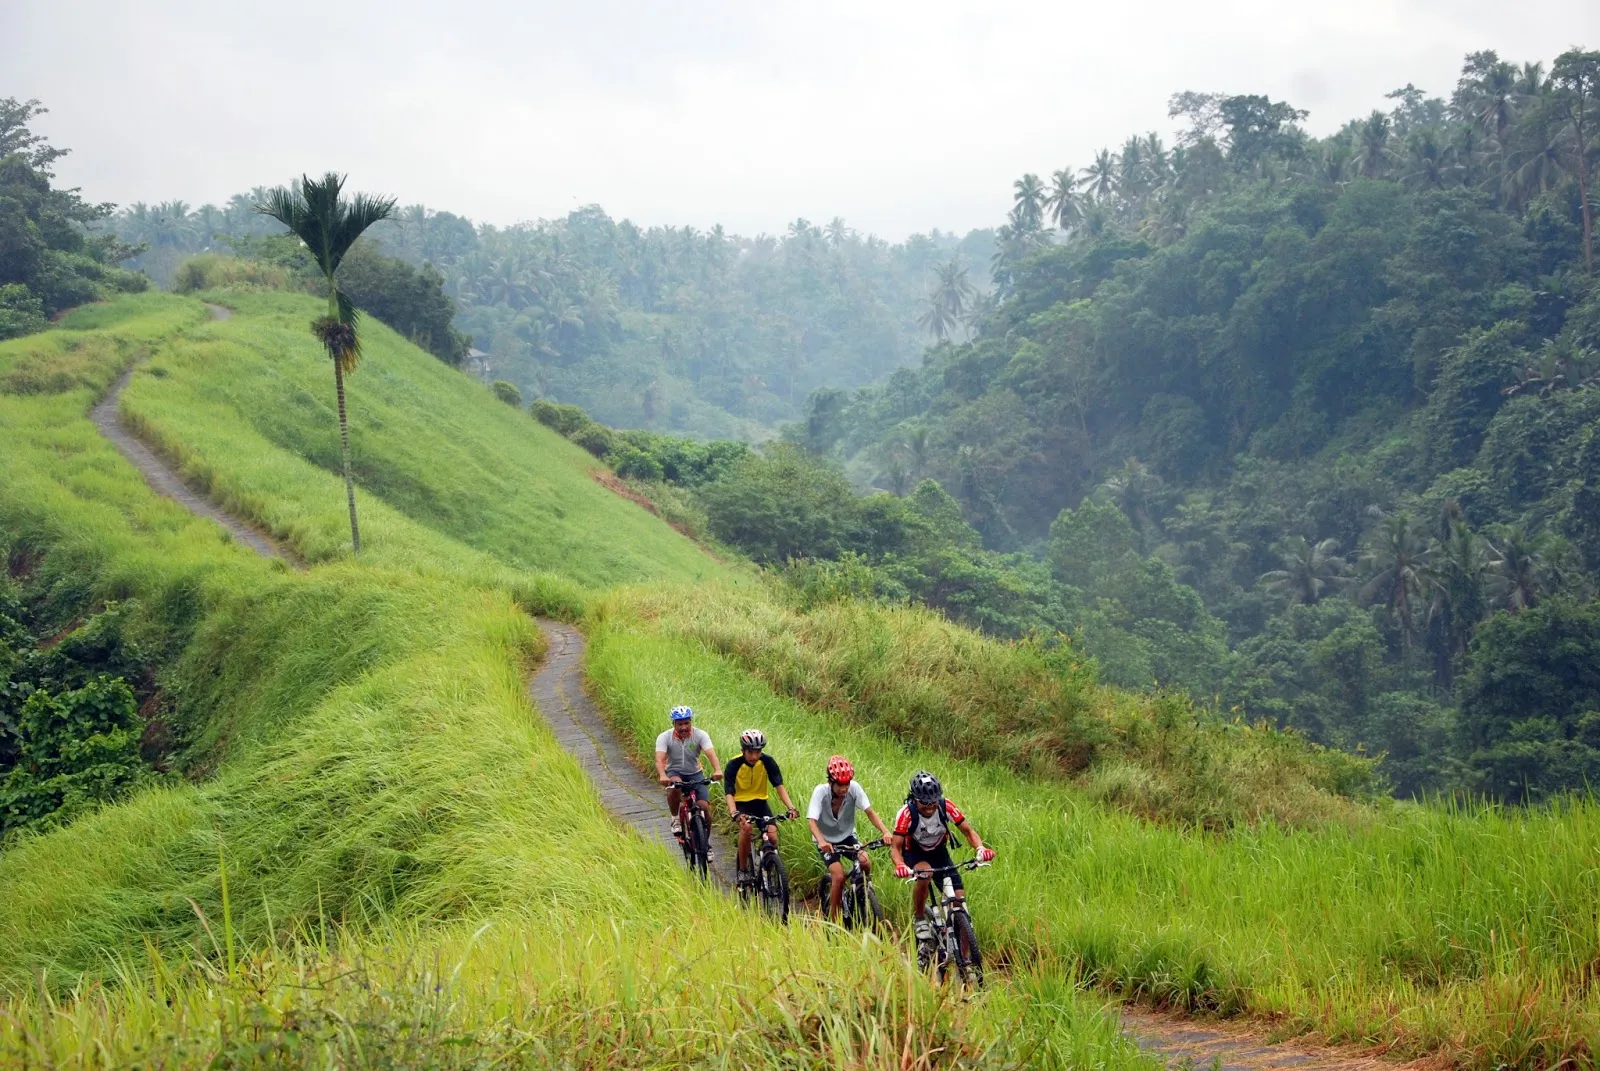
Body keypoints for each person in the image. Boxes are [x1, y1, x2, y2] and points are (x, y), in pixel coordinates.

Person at [889, 770, 996, 959]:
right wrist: (900, 865)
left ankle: (964, 960)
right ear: (914, 799)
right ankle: (920, 918)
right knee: (925, 875)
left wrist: (980, 849)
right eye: (925, 803)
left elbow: (969, 832)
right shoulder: (906, 814)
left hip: (939, 852)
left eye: (934, 802)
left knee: (958, 902)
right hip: (914, 852)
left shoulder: (946, 806)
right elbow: (895, 847)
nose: (930, 807)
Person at [807, 755, 890, 921]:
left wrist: (885, 832)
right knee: (838, 876)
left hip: (847, 836)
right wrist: (822, 842)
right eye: (840, 785)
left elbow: (870, 812)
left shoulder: (855, 789)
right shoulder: (820, 792)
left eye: (847, 784)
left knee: (865, 862)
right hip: (825, 840)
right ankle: (834, 921)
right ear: (830, 782)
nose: (844, 789)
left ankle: (859, 891)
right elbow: (812, 822)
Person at [722, 728, 799, 879]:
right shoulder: (734, 764)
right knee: (747, 828)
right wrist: (734, 812)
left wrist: (791, 808)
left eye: (758, 752)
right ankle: (743, 870)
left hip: (760, 803)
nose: (754, 756)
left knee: (773, 836)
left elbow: (779, 786)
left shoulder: (767, 761)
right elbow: (729, 792)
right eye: (750, 752)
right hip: (741, 803)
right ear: (743, 750)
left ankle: (769, 865)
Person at [655, 705, 721, 845]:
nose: (684, 727)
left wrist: (717, 770)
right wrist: (662, 775)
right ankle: (675, 818)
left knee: (704, 808)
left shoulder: (700, 735)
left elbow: (711, 753)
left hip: (695, 773)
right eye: (680, 724)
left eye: (687, 723)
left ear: (691, 722)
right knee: (675, 785)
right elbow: (660, 759)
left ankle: (705, 844)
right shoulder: (664, 737)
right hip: (674, 771)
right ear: (674, 724)